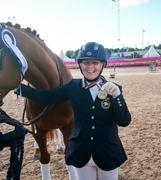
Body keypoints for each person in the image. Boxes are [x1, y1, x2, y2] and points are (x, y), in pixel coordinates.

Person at [16, 42, 131, 180]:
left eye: (95, 62)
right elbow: (46, 96)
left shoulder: (114, 88)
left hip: (107, 152)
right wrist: (19, 87)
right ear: (80, 65)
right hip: (81, 153)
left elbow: (124, 121)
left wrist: (117, 96)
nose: (90, 67)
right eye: (86, 62)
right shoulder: (73, 87)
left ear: (103, 65)